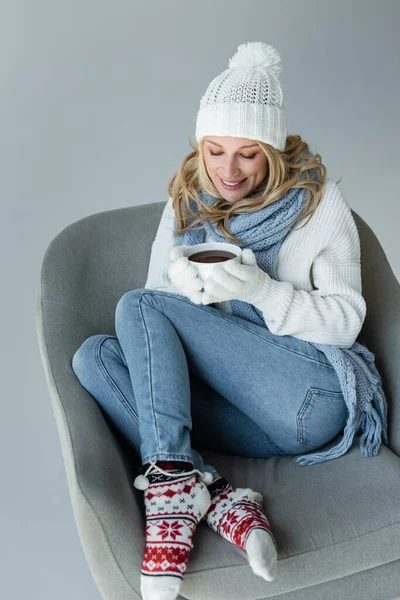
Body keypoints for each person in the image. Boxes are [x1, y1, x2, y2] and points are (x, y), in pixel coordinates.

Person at [71, 42, 387, 600]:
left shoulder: (319, 205)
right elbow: (156, 304)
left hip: (307, 397)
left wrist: (263, 291)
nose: (227, 171)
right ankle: (210, 493)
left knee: (137, 306)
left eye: (247, 154)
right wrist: (188, 292)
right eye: (215, 151)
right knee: (93, 356)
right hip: (236, 411)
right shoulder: (187, 203)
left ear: (273, 151)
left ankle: (169, 486)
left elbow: (346, 323)